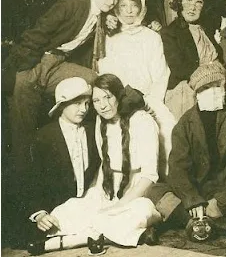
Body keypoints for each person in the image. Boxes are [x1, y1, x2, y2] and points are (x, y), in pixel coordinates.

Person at [2, 0, 126, 173]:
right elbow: (35, 35)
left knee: (92, 81)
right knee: (24, 117)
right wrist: (29, 68)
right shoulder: (71, 5)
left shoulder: (100, 13)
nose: (112, 1)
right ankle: (25, 170)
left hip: (58, 62)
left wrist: (108, 19)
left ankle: (90, 149)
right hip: (35, 60)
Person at [27, 74, 162, 254]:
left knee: (140, 212)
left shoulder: (143, 121)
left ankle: (70, 242)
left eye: (108, 97)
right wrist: (95, 199)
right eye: (96, 100)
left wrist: (119, 205)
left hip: (136, 195)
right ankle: (124, 233)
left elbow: (149, 176)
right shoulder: (100, 121)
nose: (103, 105)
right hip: (105, 193)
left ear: (118, 95)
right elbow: (103, 168)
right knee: (63, 214)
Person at [146, 60, 226, 239]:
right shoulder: (185, 124)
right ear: (197, 93)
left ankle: (191, 222)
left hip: (224, 187)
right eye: (206, 88)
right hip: (194, 187)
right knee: (154, 191)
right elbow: (177, 168)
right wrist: (192, 199)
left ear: (224, 87)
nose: (213, 91)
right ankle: (214, 223)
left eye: (217, 85)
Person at [97, 0, 175, 178]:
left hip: (148, 98)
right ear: (116, 9)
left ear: (141, 8)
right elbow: (106, 73)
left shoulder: (152, 37)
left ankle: (161, 180)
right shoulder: (110, 38)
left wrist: (151, 101)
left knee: (167, 129)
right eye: (123, 6)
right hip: (118, 98)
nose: (129, 10)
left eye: (134, 5)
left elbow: (160, 73)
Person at [26, 78, 99, 246]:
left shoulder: (93, 130)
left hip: (89, 205)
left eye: (87, 104)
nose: (84, 109)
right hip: (58, 211)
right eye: (78, 103)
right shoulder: (43, 137)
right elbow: (32, 181)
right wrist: (40, 214)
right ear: (61, 105)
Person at [162, 0, 222, 121]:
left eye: (199, 2)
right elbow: (180, 69)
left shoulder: (206, 29)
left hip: (213, 89)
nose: (193, 6)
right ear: (179, 2)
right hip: (185, 92)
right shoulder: (170, 32)